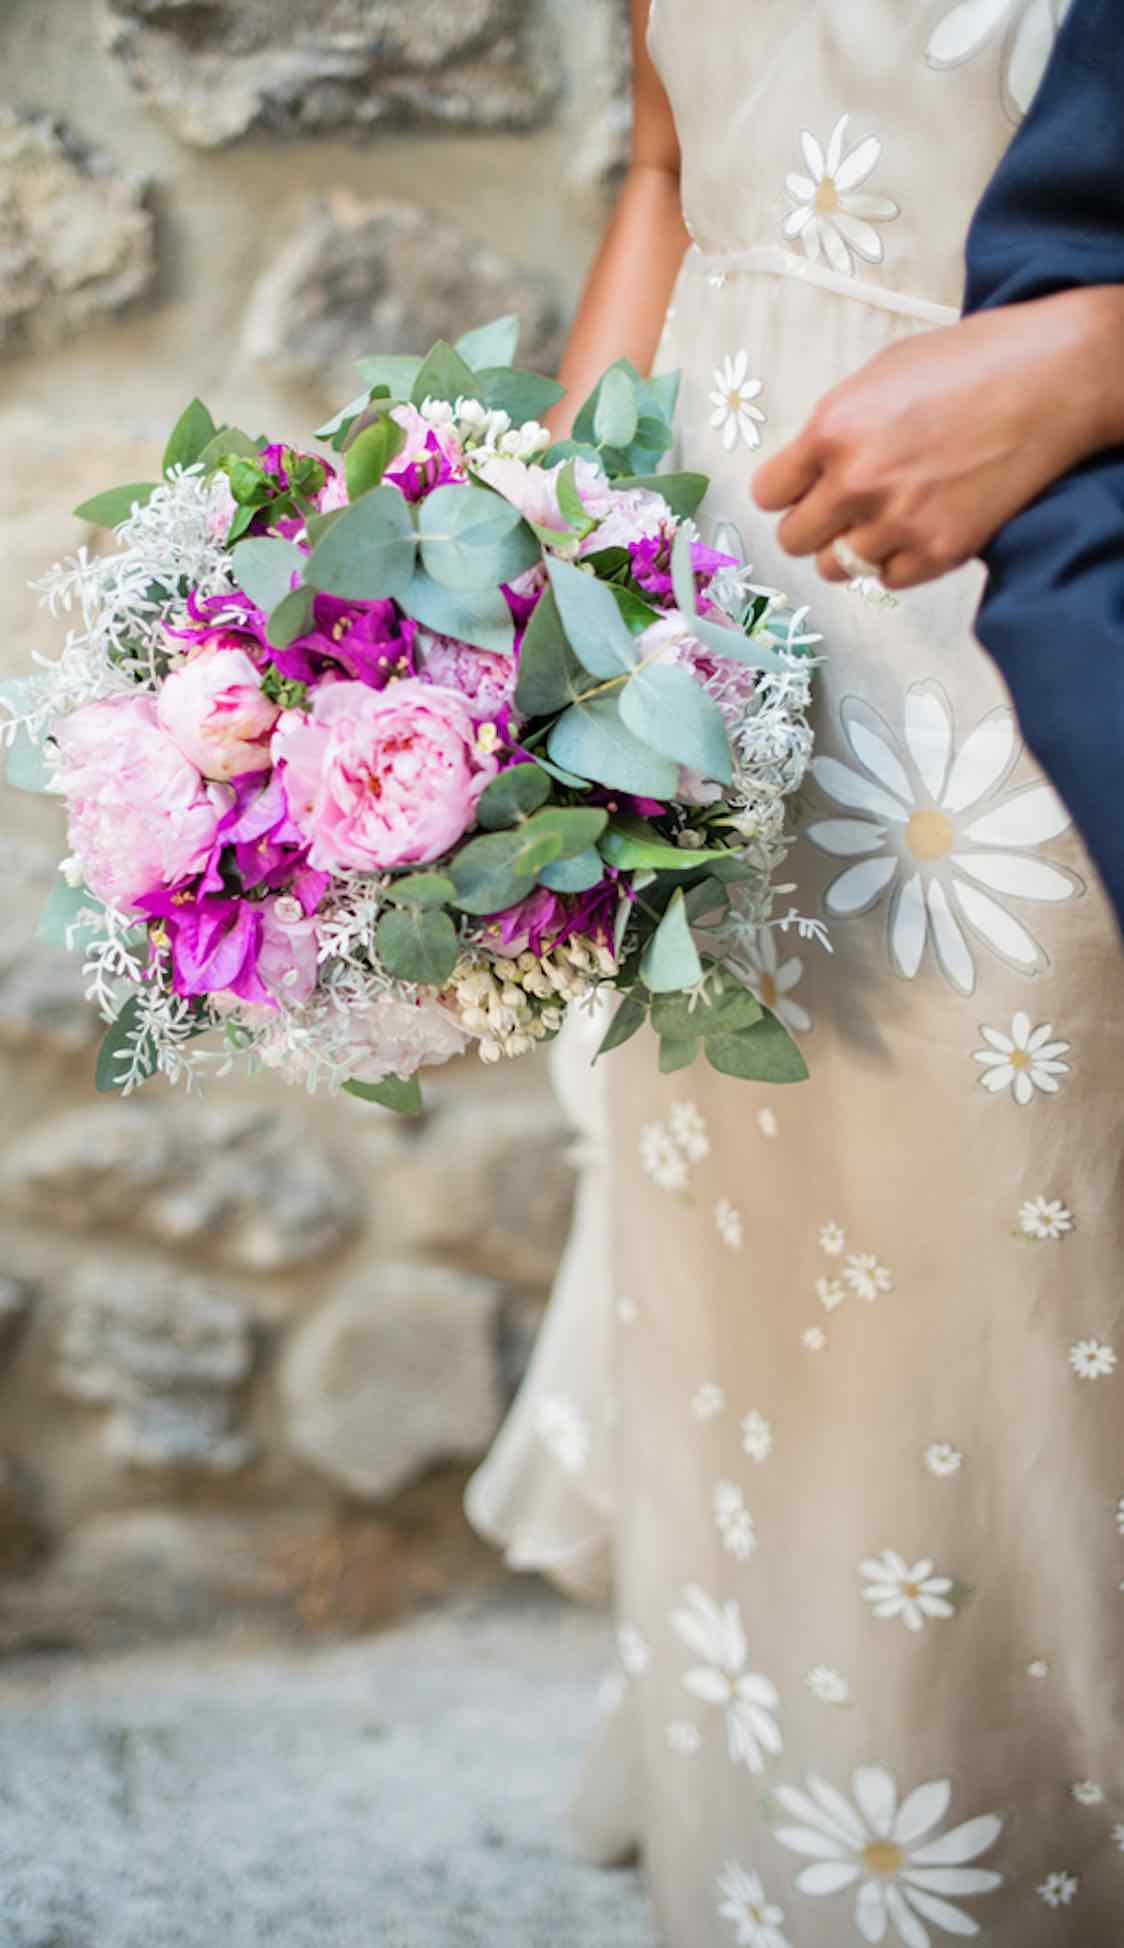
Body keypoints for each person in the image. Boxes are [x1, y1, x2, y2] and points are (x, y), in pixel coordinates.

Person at [467, 5, 1124, 1943]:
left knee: (1013, 1398)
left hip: (1015, 727)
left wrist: (1091, 366)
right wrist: (538, 600)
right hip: (699, 716)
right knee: (776, 1385)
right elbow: (670, 172)